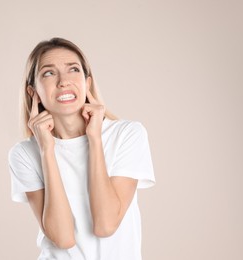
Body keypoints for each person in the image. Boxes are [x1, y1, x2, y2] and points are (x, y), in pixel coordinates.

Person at [8, 37, 155, 260]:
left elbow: (106, 225)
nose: (63, 81)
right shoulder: (24, 154)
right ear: (33, 92)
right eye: (49, 73)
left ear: (87, 82)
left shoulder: (127, 134)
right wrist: (47, 150)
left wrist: (94, 138)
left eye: (73, 70)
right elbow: (63, 237)